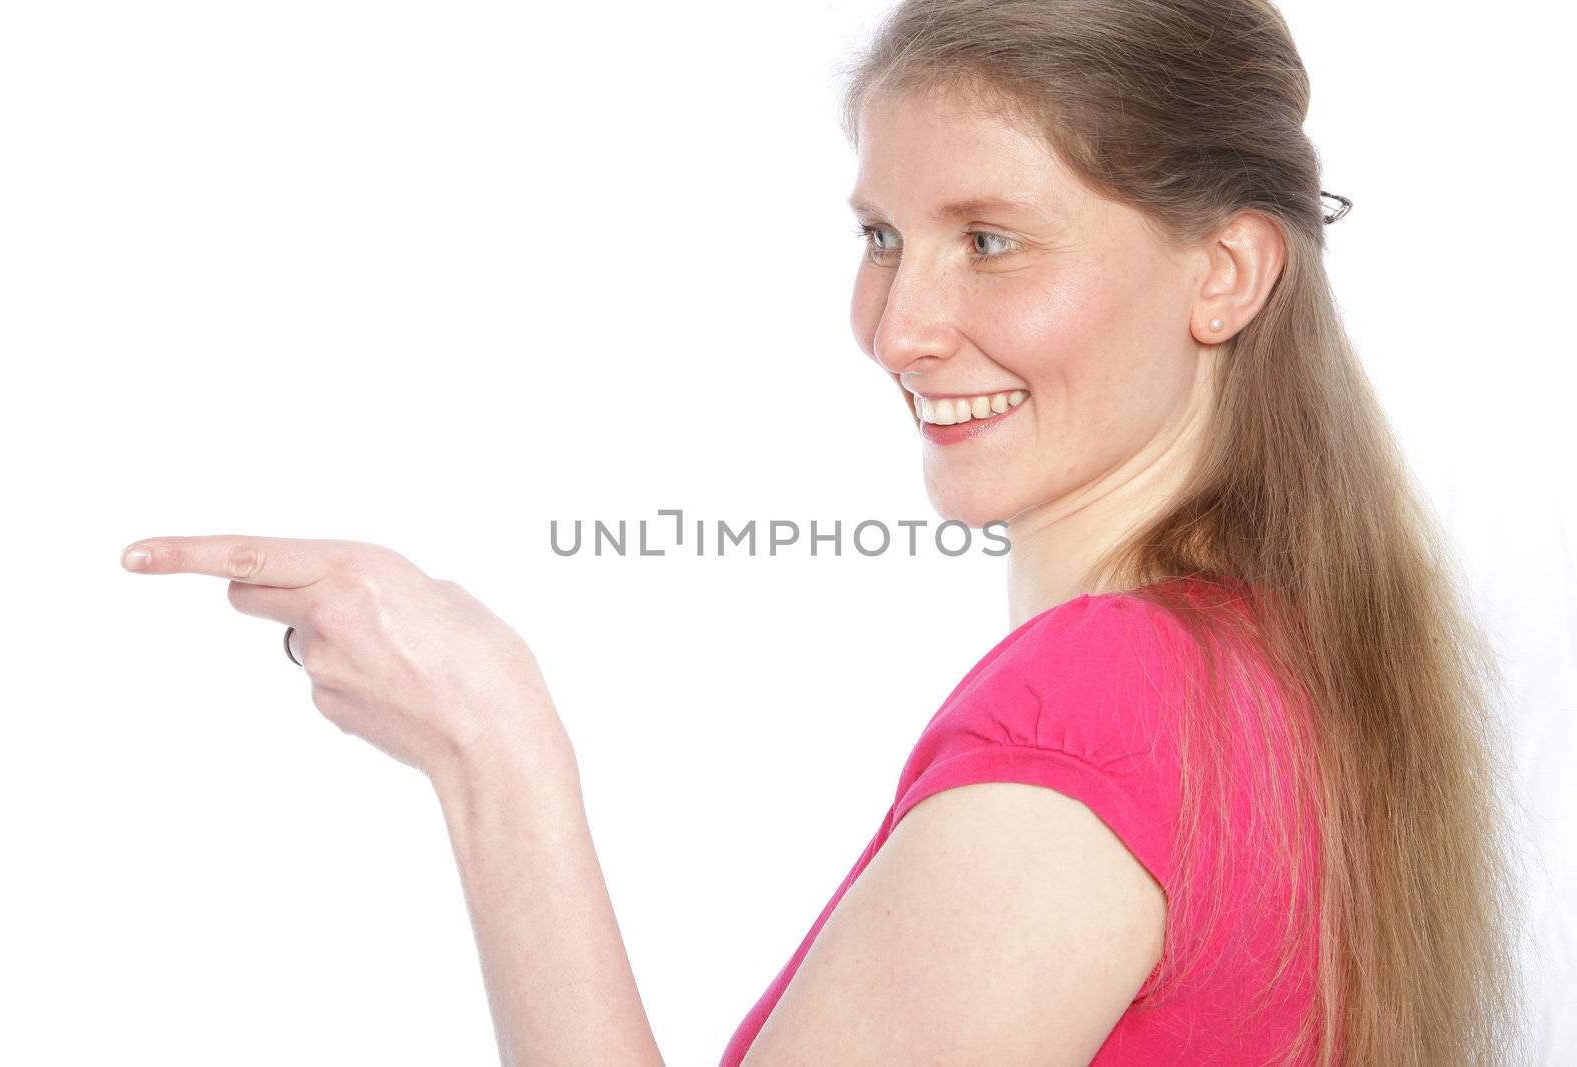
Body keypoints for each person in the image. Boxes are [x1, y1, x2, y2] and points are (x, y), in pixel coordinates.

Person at [120, 1, 1526, 1064]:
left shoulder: (1109, 706)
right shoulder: (1281, 670)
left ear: (1223, 273)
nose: (897, 327)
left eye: (991, 239)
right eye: (880, 237)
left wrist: (493, 751)